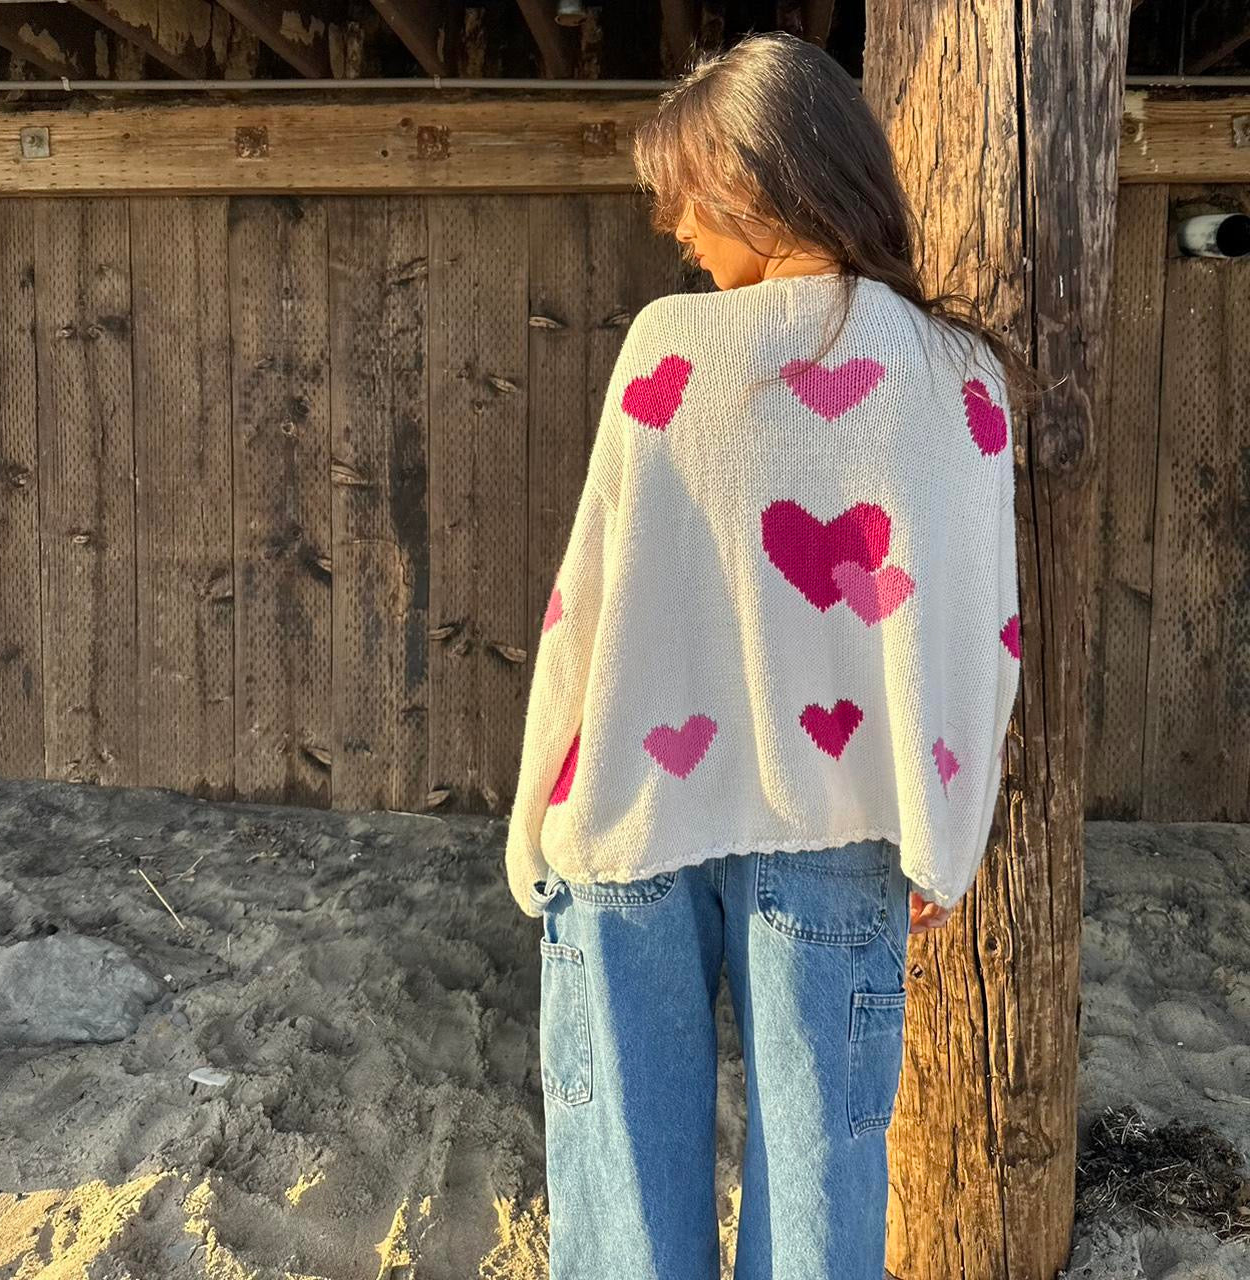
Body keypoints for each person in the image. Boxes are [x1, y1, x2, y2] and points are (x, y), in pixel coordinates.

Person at [504, 30, 1025, 1280]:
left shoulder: (668, 349)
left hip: (629, 819)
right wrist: (941, 828)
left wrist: (532, 815)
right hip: (840, 825)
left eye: (689, 192)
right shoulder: (960, 376)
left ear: (758, 177)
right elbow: (978, 636)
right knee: (821, 1207)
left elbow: (582, 607)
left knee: (626, 1206)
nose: (675, 226)